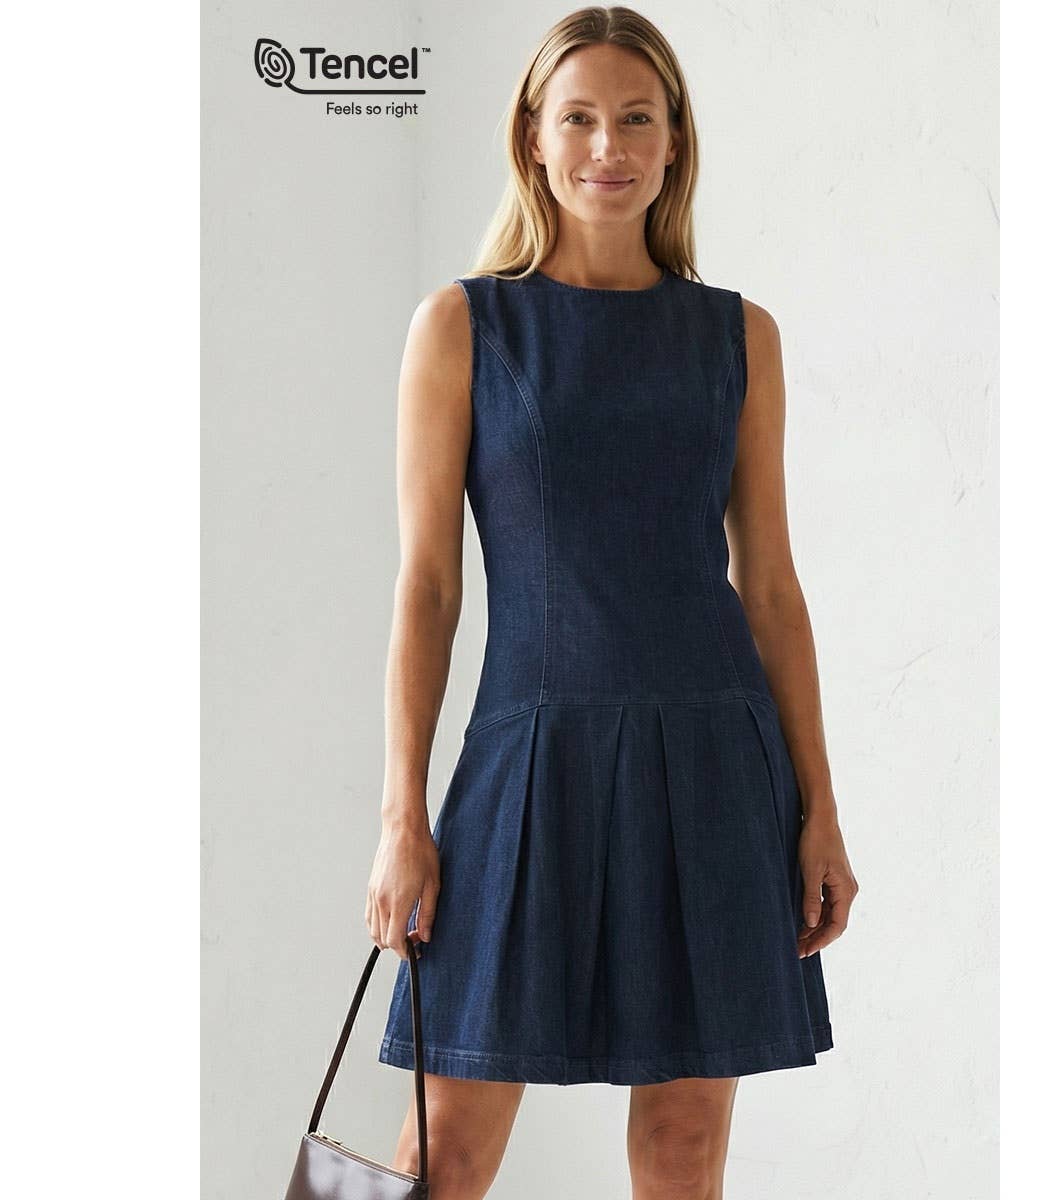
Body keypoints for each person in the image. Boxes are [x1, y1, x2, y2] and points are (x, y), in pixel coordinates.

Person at [364, 7, 859, 1197]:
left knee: (684, 1149)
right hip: (530, 761)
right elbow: (428, 587)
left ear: (675, 139)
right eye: (578, 117)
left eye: (637, 118)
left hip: (713, 763)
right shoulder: (465, 328)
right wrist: (402, 815)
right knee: (444, 1150)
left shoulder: (738, 336)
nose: (608, 146)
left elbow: (771, 587)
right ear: (532, 138)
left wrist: (821, 808)